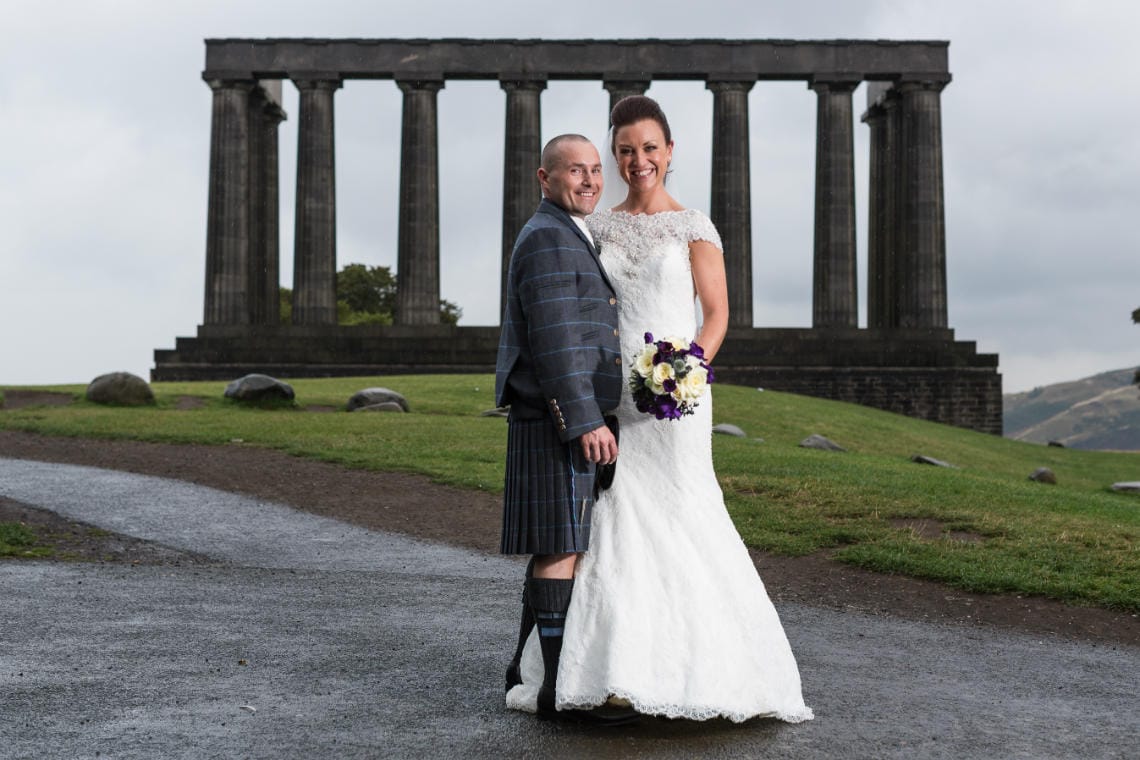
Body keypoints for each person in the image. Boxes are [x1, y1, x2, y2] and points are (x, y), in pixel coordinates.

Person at [506, 97, 813, 723]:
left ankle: (693, 670)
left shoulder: (693, 226)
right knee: (608, 525)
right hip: (611, 398)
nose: (636, 160)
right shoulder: (596, 227)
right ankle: (605, 668)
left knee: (682, 514)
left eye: (649, 148)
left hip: (675, 399)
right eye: (624, 150)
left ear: (669, 152)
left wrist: (684, 372)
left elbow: (718, 313)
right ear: (613, 156)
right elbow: (578, 310)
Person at [495, 134, 633, 723]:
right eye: (575, 170)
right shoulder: (550, 236)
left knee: (560, 544)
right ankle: (558, 688)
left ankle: (527, 671)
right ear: (544, 177)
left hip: (556, 419)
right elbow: (554, 342)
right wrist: (582, 421)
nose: (590, 180)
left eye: (596, 170)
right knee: (560, 548)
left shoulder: (563, 230)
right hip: (556, 421)